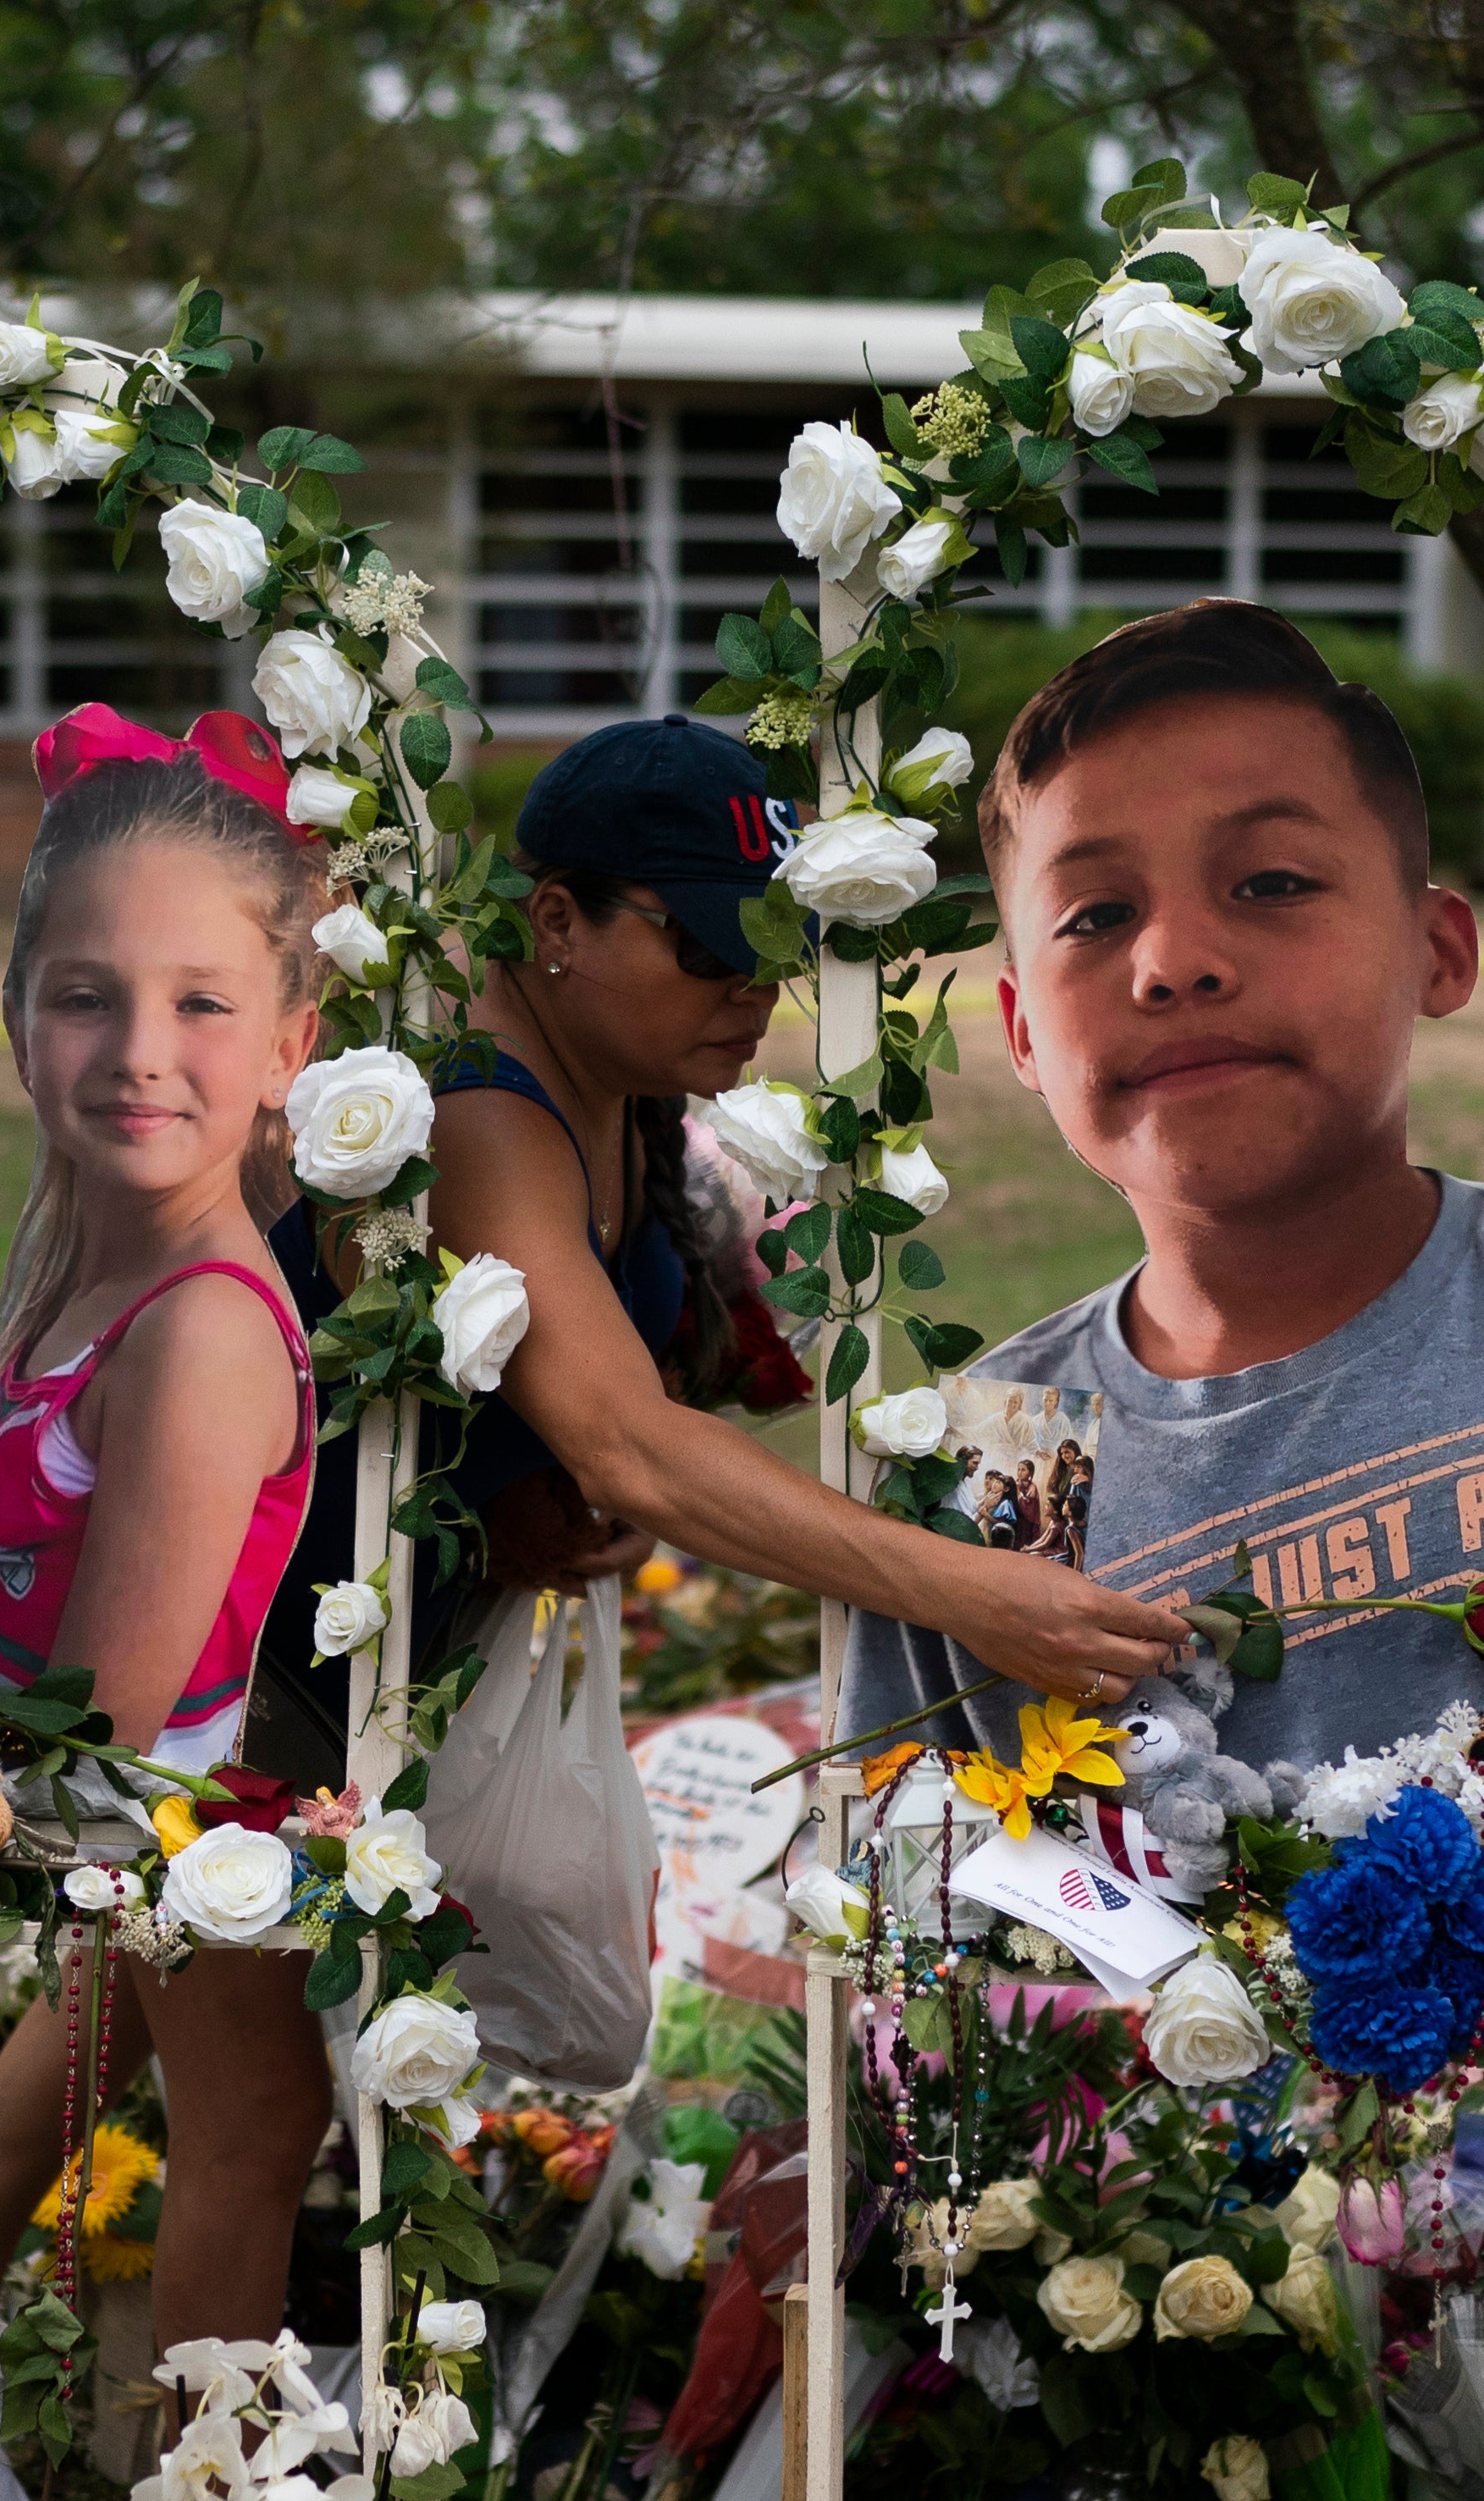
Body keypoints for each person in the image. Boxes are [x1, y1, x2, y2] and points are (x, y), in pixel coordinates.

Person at [246, 714, 1189, 1775]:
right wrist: (968, 1591)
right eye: (710, 945)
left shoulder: (613, 1070)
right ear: (555, 919)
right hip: (256, 1682)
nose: (752, 986)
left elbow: (603, 1419)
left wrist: (531, 1483)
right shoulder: (473, 1111)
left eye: (776, 948)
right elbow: (633, 1445)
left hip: (417, 1682)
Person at [0, 714, 339, 2501]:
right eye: (89, 995)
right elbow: (23, 1633)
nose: (137, 1052)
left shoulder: (187, 1317)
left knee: (252, 2096)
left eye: (203, 1003)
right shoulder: (95, 1268)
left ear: (296, 1044)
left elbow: (86, 1721)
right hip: (135, 1817)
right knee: (256, 2107)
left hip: (149, 1809)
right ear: (18, 1011)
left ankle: (151, 2497)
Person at [841, 601, 1484, 1770]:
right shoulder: (992, 1462)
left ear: (1440, 953)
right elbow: (910, 1905)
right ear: (1019, 1035)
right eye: (1096, 916)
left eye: (1269, 883)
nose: (1172, 964)